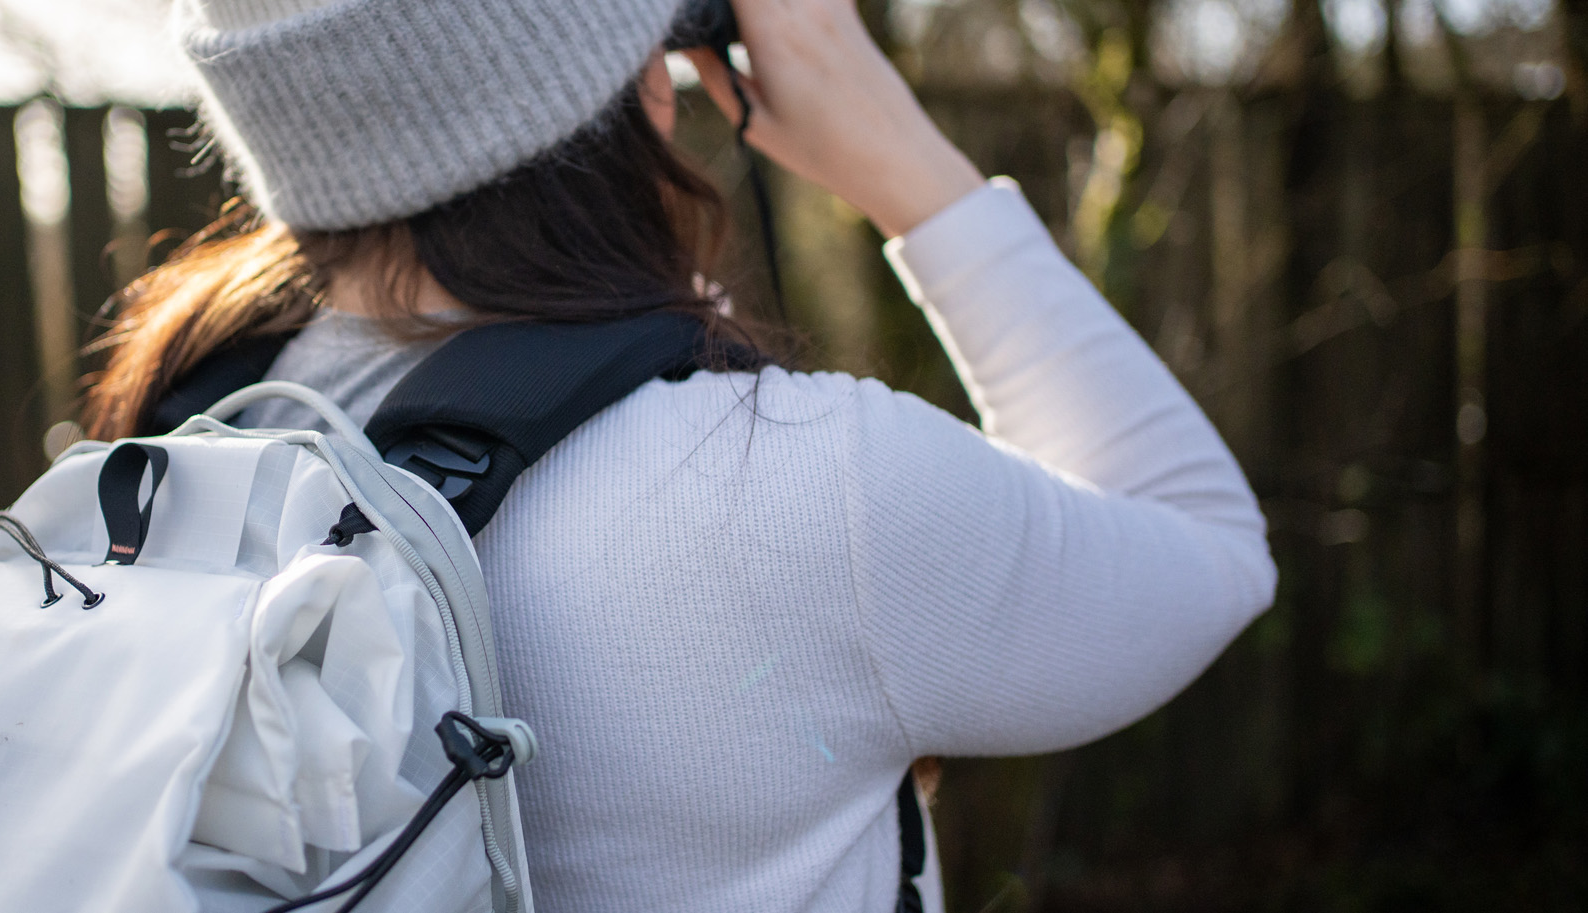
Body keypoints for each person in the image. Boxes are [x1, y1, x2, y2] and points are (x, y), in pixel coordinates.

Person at [83, 0, 1278, 910]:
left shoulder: (179, 449)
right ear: (639, 87)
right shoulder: (805, 486)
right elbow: (1208, 544)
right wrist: (908, 164)